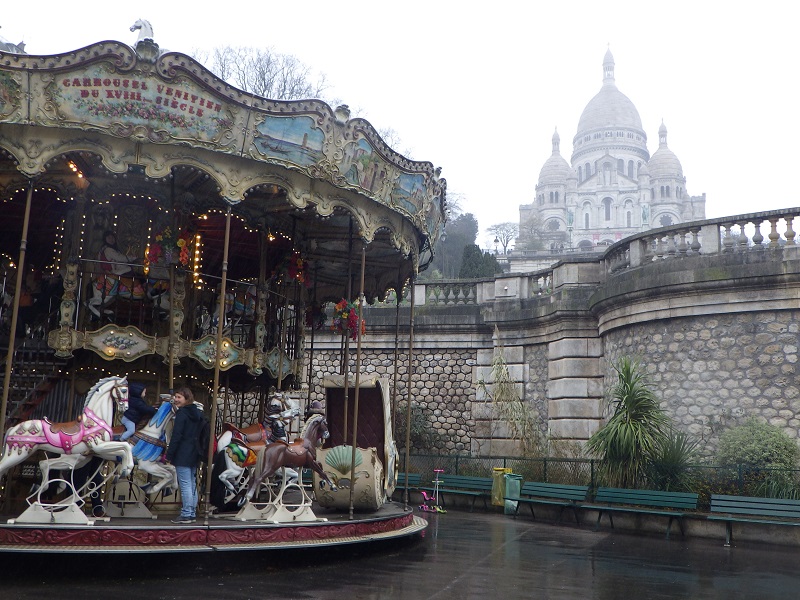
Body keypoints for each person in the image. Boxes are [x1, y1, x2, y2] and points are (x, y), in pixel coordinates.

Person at [165, 387, 203, 524]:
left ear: (187, 399)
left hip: (183, 452)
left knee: (186, 484)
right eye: (175, 397)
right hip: (194, 452)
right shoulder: (197, 413)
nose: (176, 399)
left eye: (179, 397)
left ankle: (186, 513)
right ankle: (191, 512)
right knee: (192, 484)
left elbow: (177, 435)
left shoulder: (182, 414)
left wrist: (169, 454)